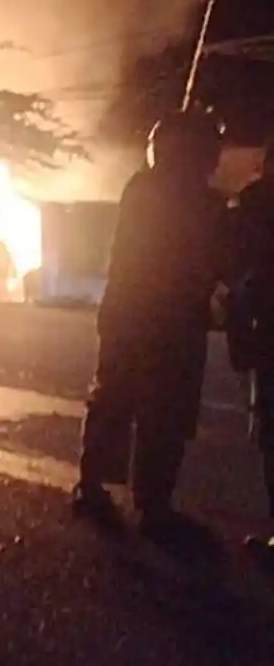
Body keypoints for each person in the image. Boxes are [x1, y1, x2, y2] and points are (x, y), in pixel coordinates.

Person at [72, 110, 227, 539]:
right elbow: (214, 259)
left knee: (122, 400)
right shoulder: (196, 202)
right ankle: (148, 503)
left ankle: (99, 486)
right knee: (157, 410)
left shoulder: (143, 189)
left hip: (136, 314)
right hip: (165, 320)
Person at [226, 138, 274, 567]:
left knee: (270, 433)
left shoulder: (253, 204)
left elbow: (240, 272)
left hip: (266, 334)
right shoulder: (251, 203)